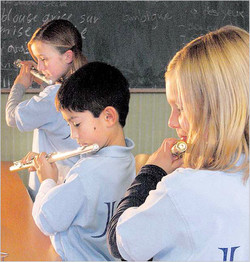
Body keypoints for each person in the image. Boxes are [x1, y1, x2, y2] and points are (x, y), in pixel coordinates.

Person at [107, 25, 249, 261]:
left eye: (180, 109)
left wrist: (152, 172)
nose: (171, 121)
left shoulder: (183, 188)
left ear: (216, 109)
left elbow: (119, 242)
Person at [31, 62, 136, 261]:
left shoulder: (87, 171)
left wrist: (46, 180)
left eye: (76, 123)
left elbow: (47, 220)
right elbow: (85, 193)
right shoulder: (126, 161)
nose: (73, 134)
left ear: (108, 116)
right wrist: (57, 170)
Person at [5, 19, 87, 201]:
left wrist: (20, 85)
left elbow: (12, 117)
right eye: (37, 61)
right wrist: (45, 83)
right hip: (73, 186)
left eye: (44, 59)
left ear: (67, 57)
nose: (40, 68)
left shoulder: (54, 95)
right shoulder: (83, 85)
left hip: (53, 190)